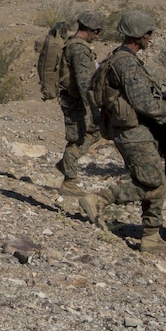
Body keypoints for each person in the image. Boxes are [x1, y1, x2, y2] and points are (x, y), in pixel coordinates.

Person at [78, 10, 166, 256]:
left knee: (154, 182)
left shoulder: (120, 59)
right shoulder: (125, 62)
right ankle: (100, 199)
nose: (151, 37)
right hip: (133, 131)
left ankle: (151, 236)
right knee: (153, 184)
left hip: (134, 130)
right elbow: (143, 101)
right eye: (148, 33)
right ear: (138, 35)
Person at [53, 10, 105, 195]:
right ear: (90, 30)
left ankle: (66, 164)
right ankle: (69, 183)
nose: (98, 36)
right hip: (76, 102)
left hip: (75, 100)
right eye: (97, 32)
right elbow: (84, 84)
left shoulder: (74, 45)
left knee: (93, 132)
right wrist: (94, 108)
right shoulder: (79, 50)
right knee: (78, 138)